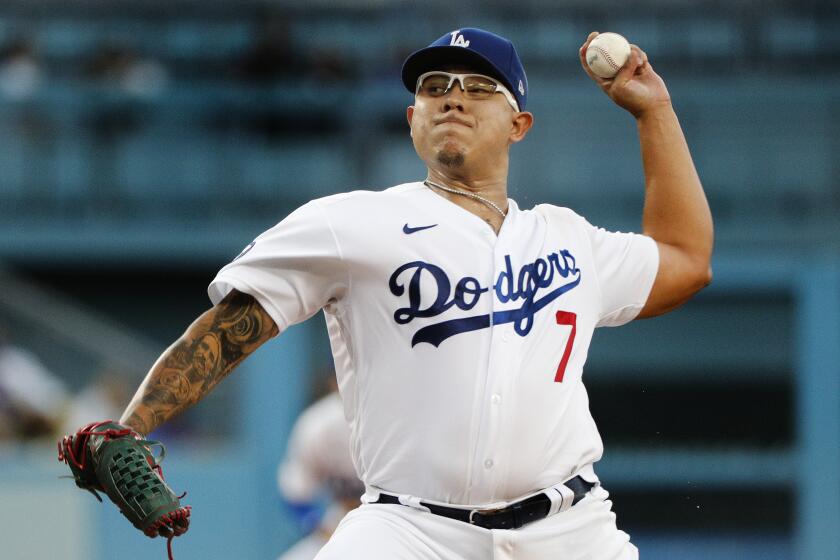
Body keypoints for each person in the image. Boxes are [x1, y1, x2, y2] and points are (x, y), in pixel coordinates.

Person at [117, 28, 712, 559]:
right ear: (412, 119)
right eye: (435, 86)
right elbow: (229, 329)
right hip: (409, 531)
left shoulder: (569, 239)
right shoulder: (352, 224)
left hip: (570, 531)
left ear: (519, 125)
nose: (453, 96)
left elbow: (686, 260)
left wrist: (653, 112)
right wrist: (132, 427)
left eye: (480, 88)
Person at [276, 388, 364, 560]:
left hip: (403, 525)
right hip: (340, 523)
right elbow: (296, 496)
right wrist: (319, 527)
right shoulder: (318, 424)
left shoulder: (400, 421)